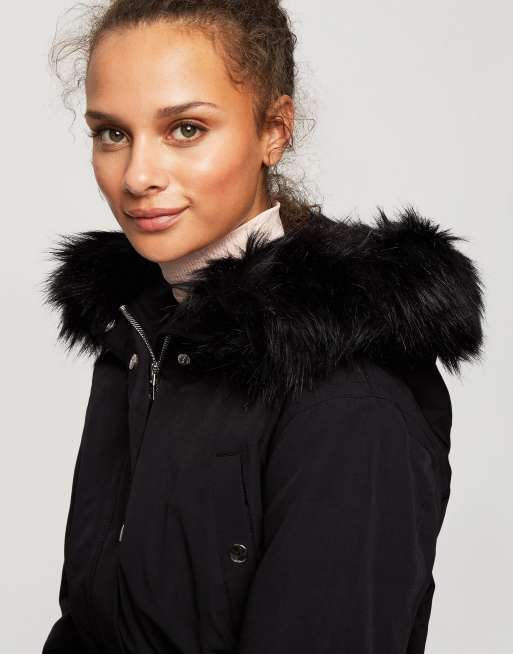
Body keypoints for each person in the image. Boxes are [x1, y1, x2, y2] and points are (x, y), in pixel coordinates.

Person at [41, 1, 485, 653]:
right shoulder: (139, 333)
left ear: (273, 130)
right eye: (111, 133)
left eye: (185, 129)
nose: (137, 176)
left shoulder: (349, 399)